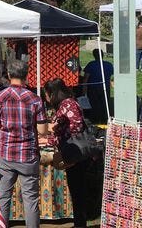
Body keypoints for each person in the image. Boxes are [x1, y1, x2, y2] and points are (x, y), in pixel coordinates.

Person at [0, 60, 48, 228]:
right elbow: (43, 130)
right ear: (26, 75)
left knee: (3, 196)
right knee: (30, 200)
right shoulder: (35, 99)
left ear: (8, 75)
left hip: (6, 154)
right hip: (28, 155)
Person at [43, 78, 88, 228]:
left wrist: (58, 128)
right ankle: (79, 223)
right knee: (76, 189)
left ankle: (80, 224)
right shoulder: (66, 104)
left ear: (53, 93)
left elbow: (77, 126)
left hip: (75, 152)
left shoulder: (68, 104)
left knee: (78, 190)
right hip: (72, 151)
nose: (46, 97)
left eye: (47, 94)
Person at [82, 49, 114, 123]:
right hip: (105, 87)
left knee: (93, 105)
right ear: (102, 55)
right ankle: (104, 119)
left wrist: (84, 90)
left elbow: (86, 78)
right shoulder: (109, 64)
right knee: (104, 104)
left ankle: (94, 121)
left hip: (93, 88)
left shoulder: (91, 64)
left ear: (94, 55)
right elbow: (111, 78)